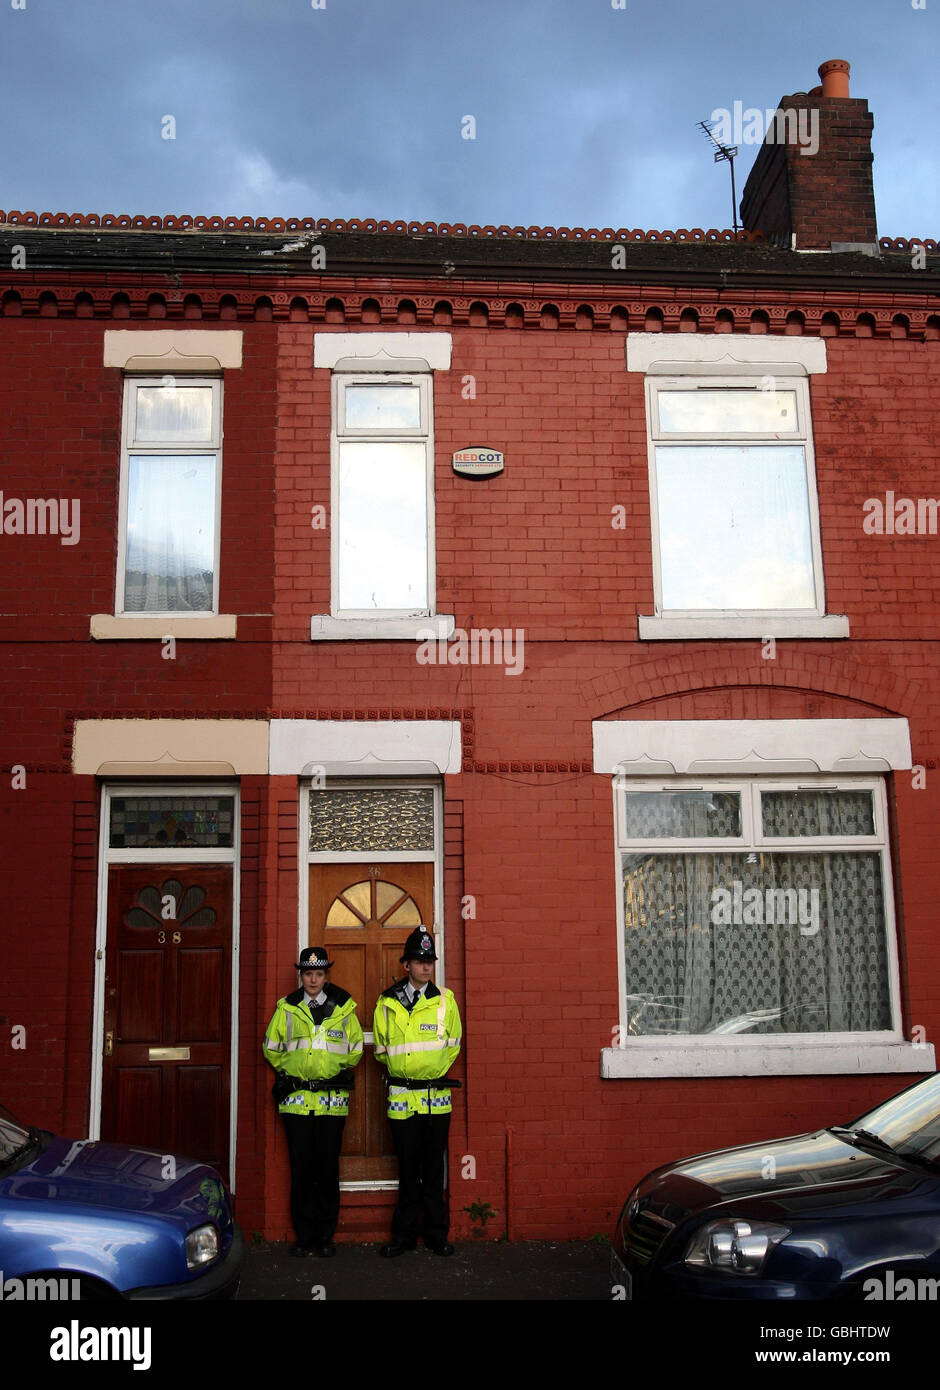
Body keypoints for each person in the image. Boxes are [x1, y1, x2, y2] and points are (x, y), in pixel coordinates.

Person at [262, 946, 363, 1258]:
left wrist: (332, 1070)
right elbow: (271, 1048)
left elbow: (355, 1049)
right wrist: (292, 1072)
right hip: (296, 1102)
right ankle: (304, 1237)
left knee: (327, 1169)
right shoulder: (287, 1009)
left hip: (332, 1102)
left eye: (319, 974)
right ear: (301, 975)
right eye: (308, 974)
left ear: (326, 975)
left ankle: (325, 1237)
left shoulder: (344, 1008)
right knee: (302, 1170)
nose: (313, 979)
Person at [373, 926, 462, 1257]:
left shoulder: (445, 1001)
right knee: (408, 1169)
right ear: (406, 965)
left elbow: (453, 1046)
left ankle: (436, 1235)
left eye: (430, 961)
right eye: (419, 961)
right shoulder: (387, 1002)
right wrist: (407, 1071)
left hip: (436, 1098)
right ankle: (404, 1236)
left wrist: (430, 1069)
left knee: (434, 1168)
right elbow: (381, 1050)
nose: (426, 967)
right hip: (401, 1097)